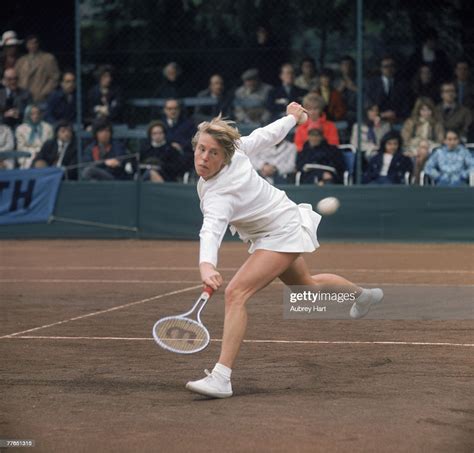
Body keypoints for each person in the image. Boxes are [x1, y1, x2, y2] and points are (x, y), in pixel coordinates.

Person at [185, 102, 384, 398]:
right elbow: (266, 135)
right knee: (309, 288)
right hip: (277, 226)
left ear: (225, 155)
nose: (204, 157)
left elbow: (211, 230)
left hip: (282, 231)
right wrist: (293, 117)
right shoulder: (233, 156)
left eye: (213, 152)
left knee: (236, 293)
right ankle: (364, 296)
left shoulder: (222, 188)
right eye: (201, 149)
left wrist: (206, 265)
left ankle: (221, 377)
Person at [15, 34, 60, 102]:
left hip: (41, 97)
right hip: (23, 98)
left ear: (38, 44)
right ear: (26, 45)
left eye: (35, 43)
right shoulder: (21, 61)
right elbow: (15, 77)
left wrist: (44, 92)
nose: (33, 45)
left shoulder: (48, 59)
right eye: (30, 43)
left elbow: (54, 77)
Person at [365, 56, 411, 123]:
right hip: (376, 119)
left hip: (397, 119)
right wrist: (380, 114)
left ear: (395, 68)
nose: (389, 69)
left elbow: (405, 105)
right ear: (381, 68)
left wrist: (395, 114)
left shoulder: (402, 85)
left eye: (391, 66)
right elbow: (368, 102)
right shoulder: (372, 84)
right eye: (386, 66)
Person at [15, 103, 53, 168]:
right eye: (32, 114)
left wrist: (39, 153)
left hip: (44, 155)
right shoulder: (20, 129)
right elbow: (21, 147)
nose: (36, 116)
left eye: (38, 113)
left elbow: (49, 146)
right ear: (27, 115)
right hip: (27, 155)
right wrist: (33, 152)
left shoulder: (48, 127)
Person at [336, 55, 357, 125]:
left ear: (353, 67)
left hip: (355, 112)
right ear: (341, 67)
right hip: (339, 112)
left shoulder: (359, 81)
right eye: (344, 65)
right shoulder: (336, 82)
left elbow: (365, 96)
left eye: (349, 65)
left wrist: (353, 88)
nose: (347, 67)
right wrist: (340, 89)